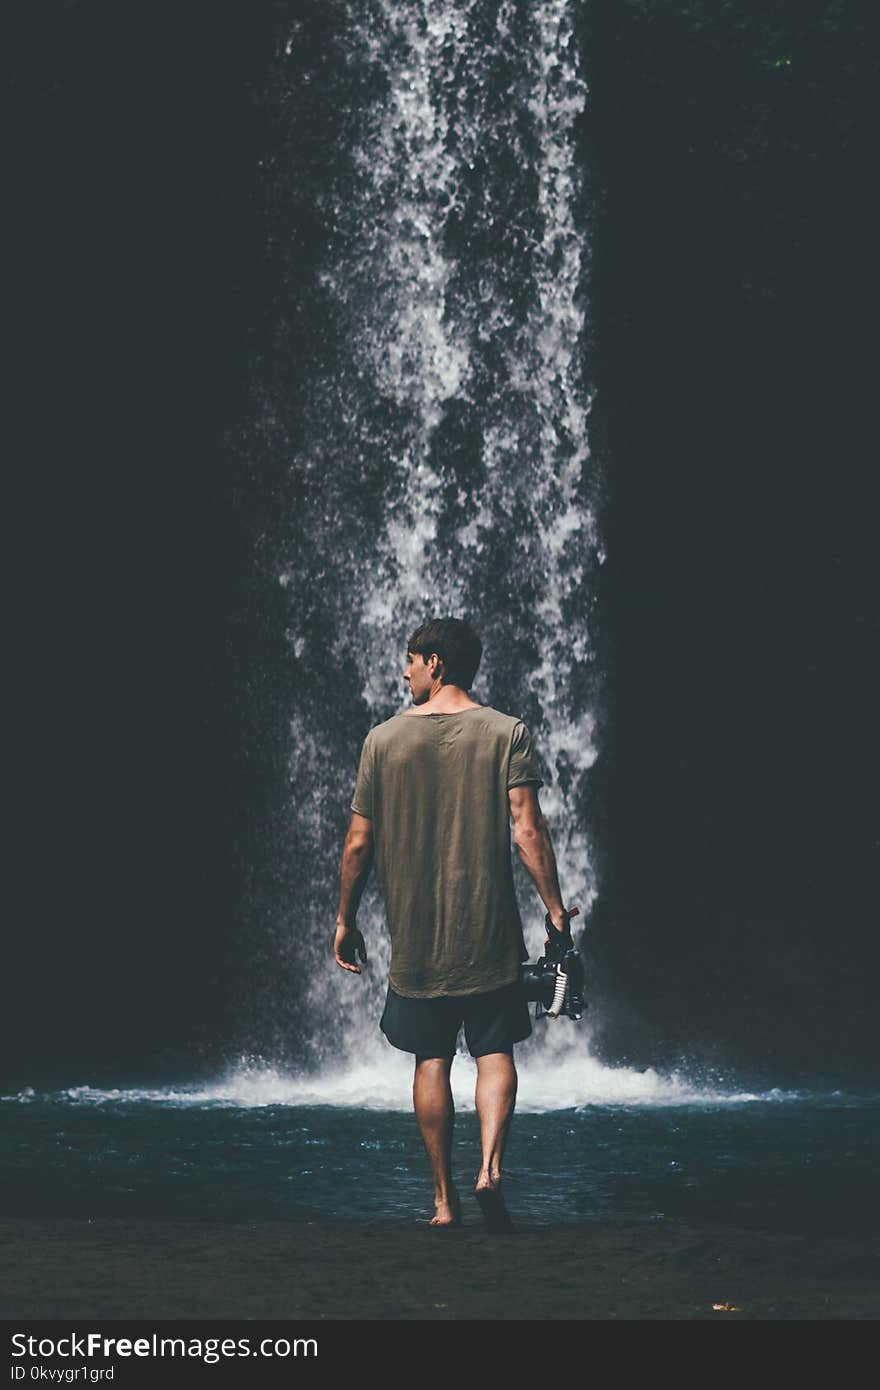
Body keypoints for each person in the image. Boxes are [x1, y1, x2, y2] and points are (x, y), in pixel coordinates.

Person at [333, 616, 573, 1231]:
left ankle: (444, 1202)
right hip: (488, 933)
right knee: (494, 1051)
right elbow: (527, 830)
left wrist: (345, 918)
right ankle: (490, 1167)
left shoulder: (382, 741)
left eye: (411, 659)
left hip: (416, 940)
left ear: (436, 663)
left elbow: (359, 844)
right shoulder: (506, 733)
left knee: (430, 1060)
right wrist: (554, 914)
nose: (405, 670)